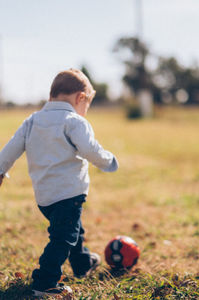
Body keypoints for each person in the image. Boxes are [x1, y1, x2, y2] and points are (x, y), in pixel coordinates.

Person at [0, 69, 119, 297]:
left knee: (72, 229)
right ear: (80, 98)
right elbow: (89, 149)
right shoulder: (74, 121)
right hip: (69, 194)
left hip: (44, 198)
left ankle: (82, 262)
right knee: (62, 237)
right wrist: (108, 161)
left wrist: (0, 170)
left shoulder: (32, 121)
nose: (85, 112)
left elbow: (10, 150)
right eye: (86, 106)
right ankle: (45, 282)